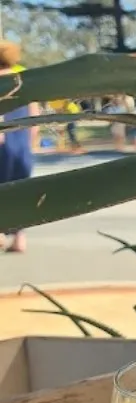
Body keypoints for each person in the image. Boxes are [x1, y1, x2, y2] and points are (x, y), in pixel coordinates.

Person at [0, 41, 39, 252]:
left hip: (2, 142)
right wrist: (31, 142)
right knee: (20, 189)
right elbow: (35, 117)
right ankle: (19, 237)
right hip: (22, 143)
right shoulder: (24, 81)